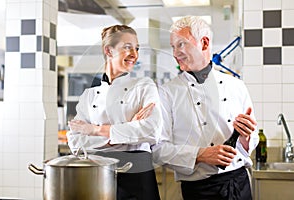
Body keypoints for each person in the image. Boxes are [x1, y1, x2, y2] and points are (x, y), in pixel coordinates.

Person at [152, 16, 259, 200]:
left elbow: (252, 139)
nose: (176, 53)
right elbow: (158, 150)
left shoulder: (236, 85)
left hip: (239, 184)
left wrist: (246, 136)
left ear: (204, 42)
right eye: (173, 46)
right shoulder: (167, 92)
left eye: (181, 44)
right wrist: (201, 155)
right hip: (199, 190)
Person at [66, 25, 161, 200]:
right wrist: (127, 130)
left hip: (137, 176)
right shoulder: (89, 96)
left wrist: (94, 130)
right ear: (109, 51)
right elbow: (75, 142)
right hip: (98, 175)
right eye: (127, 47)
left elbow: (152, 131)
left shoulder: (144, 86)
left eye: (137, 48)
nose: (135, 54)